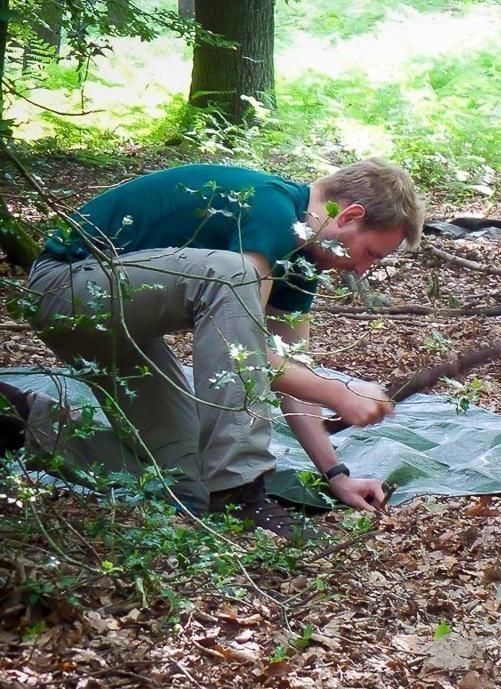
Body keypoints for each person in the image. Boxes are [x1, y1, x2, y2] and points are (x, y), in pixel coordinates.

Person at [1, 159, 424, 539]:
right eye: (370, 253)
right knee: (231, 275)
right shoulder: (273, 210)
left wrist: (336, 475)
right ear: (349, 216)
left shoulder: (302, 261)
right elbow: (247, 349)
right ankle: (241, 490)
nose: (363, 269)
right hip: (66, 288)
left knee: (189, 483)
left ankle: (20, 419)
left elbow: (291, 369)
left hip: (122, 325)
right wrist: (338, 392)